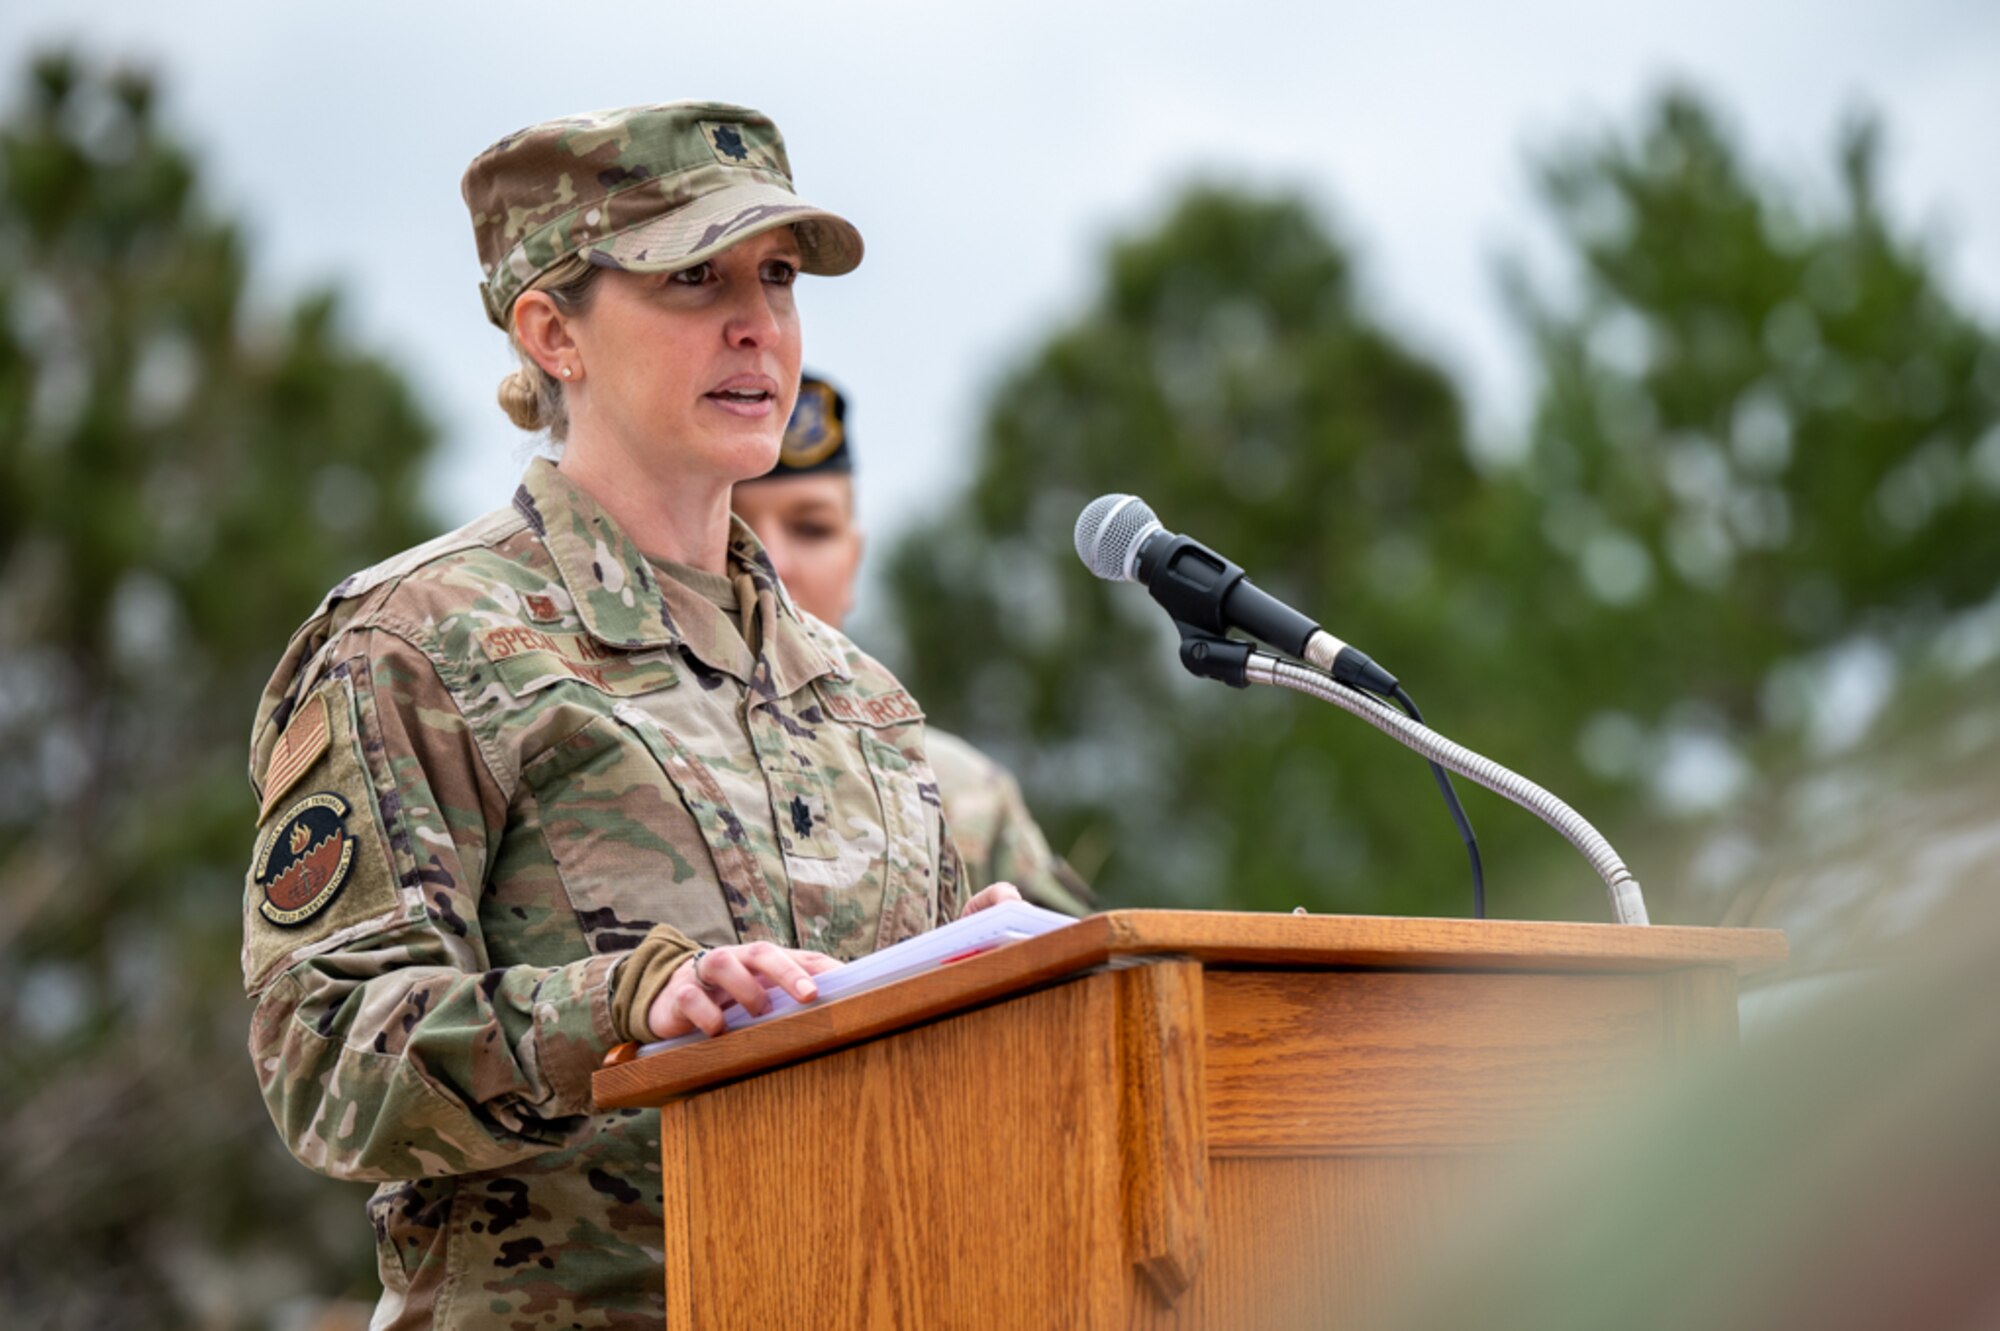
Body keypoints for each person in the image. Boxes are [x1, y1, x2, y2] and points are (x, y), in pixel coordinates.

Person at [239, 102, 1017, 1329]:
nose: (757, 323)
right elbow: (324, 1055)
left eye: (774, 276)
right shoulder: (419, 641)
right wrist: (623, 1006)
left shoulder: (860, 700)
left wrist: (1002, 989)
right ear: (553, 332)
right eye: (692, 278)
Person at [732, 374, 1093, 916]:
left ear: (853, 562)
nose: (772, 562)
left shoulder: (961, 794)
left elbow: (1096, 976)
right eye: (734, 528)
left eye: (811, 528)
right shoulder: (619, 754)